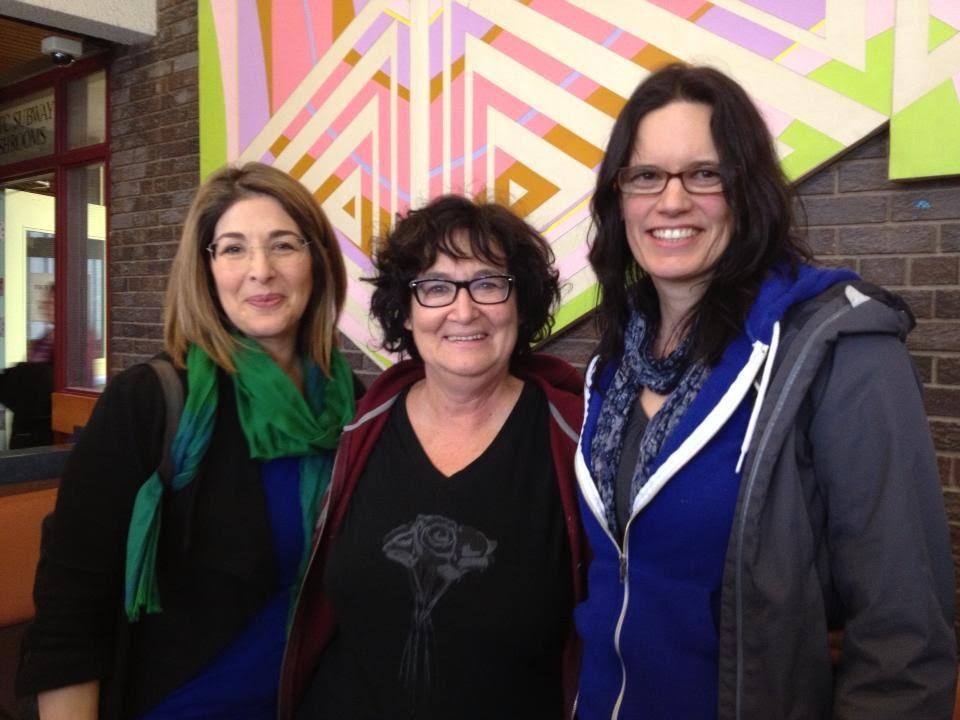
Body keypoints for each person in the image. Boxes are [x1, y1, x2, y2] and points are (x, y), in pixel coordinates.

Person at [574, 63, 956, 719]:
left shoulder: (839, 348)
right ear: (618, 197)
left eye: (705, 173)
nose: (671, 201)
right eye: (645, 176)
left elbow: (904, 641)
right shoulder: (611, 364)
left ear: (748, 189)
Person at [16, 162, 356, 719]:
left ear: (316, 261)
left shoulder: (357, 412)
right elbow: (70, 609)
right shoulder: (149, 403)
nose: (261, 270)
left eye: (283, 245)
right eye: (233, 248)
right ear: (205, 268)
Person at [280, 195, 586, 719]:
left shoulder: (577, 441)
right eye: (436, 287)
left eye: (488, 283)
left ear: (522, 301)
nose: (463, 310)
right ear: (406, 308)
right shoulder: (359, 430)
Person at [0, 284, 55, 449]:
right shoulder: (42, 341)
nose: (45, 306)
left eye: (51, 302)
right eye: (45, 302)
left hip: (45, 428)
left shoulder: (75, 342)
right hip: (27, 425)